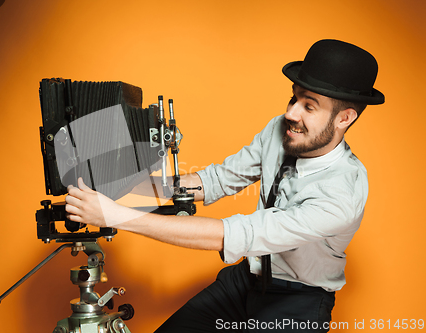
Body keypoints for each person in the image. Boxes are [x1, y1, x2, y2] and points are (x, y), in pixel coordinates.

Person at [65, 39, 385, 332]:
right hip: (245, 281)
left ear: (344, 118)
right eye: (293, 98)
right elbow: (216, 180)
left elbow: (234, 236)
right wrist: (118, 190)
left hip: (298, 302)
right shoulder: (281, 129)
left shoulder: (342, 195)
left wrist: (116, 216)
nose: (290, 113)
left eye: (309, 106)